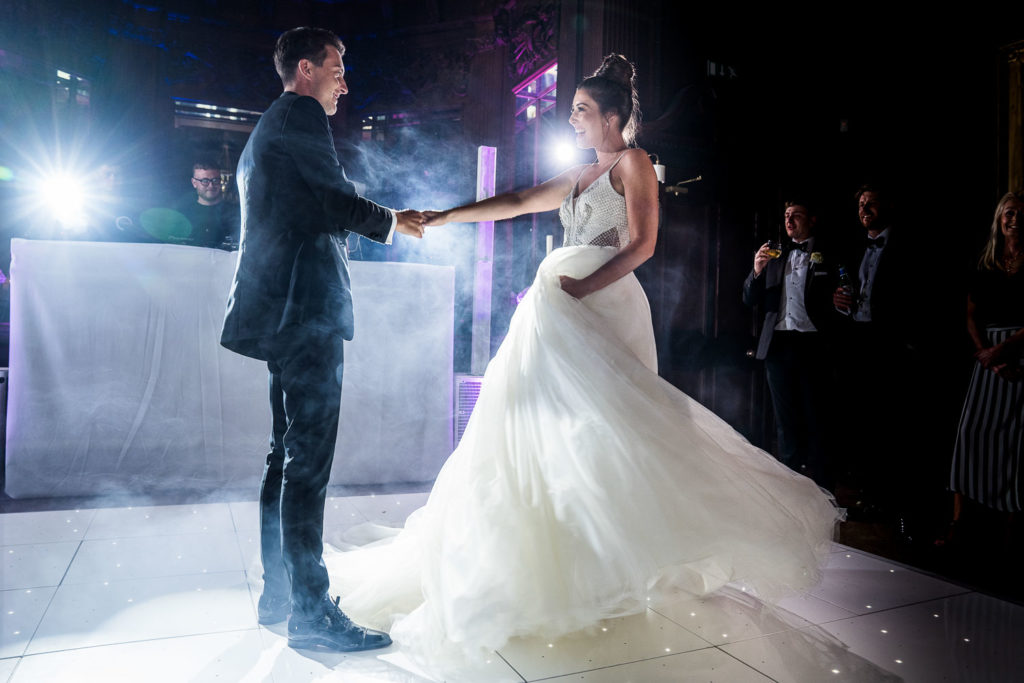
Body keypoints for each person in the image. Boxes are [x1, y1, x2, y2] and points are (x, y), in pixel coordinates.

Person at [325, 55, 840, 675]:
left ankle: (617, 562)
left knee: (614, 429)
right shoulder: (580, 172)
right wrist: (445, 216)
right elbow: (517, 200)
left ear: (614, 117)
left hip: (605, 304)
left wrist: (582, 289)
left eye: (580, 110)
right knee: (540, 429)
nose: (569, 118)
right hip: (559, 310)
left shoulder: (634, 163)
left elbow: (644, 244)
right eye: (570, 110)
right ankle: (558, 561)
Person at [219, 26, 424, 652]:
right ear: (306, 69)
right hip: (305, 312)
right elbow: (333, 201)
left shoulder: (266, 130)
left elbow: (307, 207)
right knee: (306, 465)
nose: (344, 82)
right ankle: (310, 611)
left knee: (283, 457)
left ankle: (279, 593)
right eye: (338, 68)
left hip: (280, 313)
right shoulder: (302, 115)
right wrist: (394, 222)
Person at [743, 200, 837, 488]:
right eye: (786, 216)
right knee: (785, 420)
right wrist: (757, 270)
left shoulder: (828, 254)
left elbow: (841, 293)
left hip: (813, 343)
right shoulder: (775, 254)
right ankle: (790, 485)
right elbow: (749, 298)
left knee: (816, 417)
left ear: (811, 219)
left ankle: (822, 488)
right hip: (778, 344)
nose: (789, 221)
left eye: (795, 215)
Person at [947, 192, 1024, 528]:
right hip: (988, 358)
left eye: (1021, 214)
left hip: (1019, 353)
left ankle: (1009, 526)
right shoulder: (985, 262)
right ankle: (960, 522)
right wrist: (988, 356)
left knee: (1014, 441)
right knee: (970, 433)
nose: (1015, 220)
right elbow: (969, 315)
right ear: (999, 218)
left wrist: (1003, 351)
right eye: (1009, 213)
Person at [174, 159, 240, 248]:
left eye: (215, 180)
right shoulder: (182, 213)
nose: (211, 186)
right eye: (205, 181)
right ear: (194, 183)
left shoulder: (235, 213)